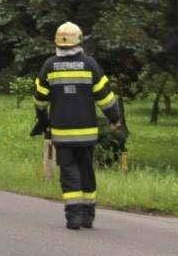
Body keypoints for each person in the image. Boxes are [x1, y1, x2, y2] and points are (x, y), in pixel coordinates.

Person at [31, 21, 122, 230]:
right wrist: (114, 118)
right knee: (86, 170)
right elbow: (106, 98)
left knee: (69, 171)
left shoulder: (50, 66)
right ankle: (88, 216)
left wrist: (43, 119)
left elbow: (39, 100)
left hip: (62, 133)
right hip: (87, 133)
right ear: (79, 40)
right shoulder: (90, 64)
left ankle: (73, 217)